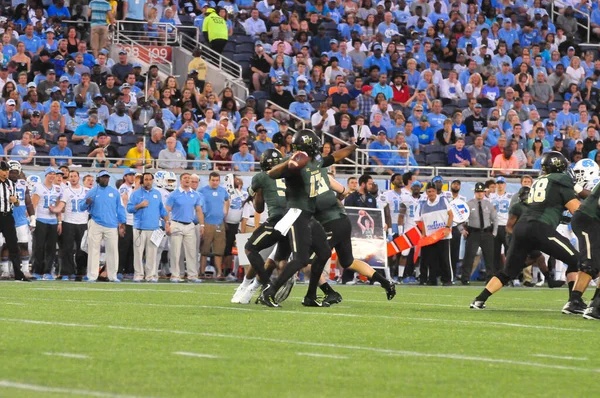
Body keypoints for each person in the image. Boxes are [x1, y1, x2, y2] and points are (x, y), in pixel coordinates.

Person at [471, 152, 580, 309]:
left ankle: (479, 300)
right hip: (539, 227)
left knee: (508, 271)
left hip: (522, 227)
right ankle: (574, 302)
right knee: (575, 260)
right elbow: (577, 210)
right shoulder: (561, 180)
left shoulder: (540, 181)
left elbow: (550, 207)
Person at [80, 170, 126, 282]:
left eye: (106, 177)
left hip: (111, 224)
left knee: (113, 251)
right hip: (96, 223)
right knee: (93, 250)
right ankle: (92, 276)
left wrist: (122, 223)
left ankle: (112, 276)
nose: (105, 179)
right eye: (102, 177)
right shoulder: (93, 191)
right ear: (98, 179)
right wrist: (87, 202)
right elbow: (81, 207)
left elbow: (120, 208)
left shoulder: (114, 192)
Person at [127, 173, 170, 282]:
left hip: (154, 228)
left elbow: (162, 210)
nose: (148, 181)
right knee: (138, 253)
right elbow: (129, 208)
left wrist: (167, 222)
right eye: (146, 179)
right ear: (142, 181)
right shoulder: (135, 194)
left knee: (152, 254)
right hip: (139, 228)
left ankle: (150, 275)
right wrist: (139, 205)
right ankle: (138, 274)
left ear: (153, 181)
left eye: (150, 179)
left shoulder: (157, 194)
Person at [166, 173, 205, 283]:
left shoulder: (195, 194)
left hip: (190, 224)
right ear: (181, 180)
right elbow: (167, 209)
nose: (187, 180)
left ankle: (192, 275)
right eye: (185, 178)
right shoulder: (174, 194)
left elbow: (198, 210)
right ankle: (175, 275)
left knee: (192, 251)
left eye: (189, 178)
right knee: (175, 252)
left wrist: (202, 225)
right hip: (176, 223)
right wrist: (166, 223)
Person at [416, 182, 454, 286]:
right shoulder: (423, 204)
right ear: (426, 192)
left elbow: (451, 215)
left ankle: (447, 279)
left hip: (443, 235)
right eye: (429, 191)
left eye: (433, 191)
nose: (431, 193)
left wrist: (447, 228)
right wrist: (423, 234)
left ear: (436, 191)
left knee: (444, 258)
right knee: (431, 259)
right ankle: (432, 280)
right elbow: (421, 221)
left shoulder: (443, 200)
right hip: (430, 237)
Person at [460, 182, 497, 285]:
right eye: (478, 192)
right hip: (473, 232)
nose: (480, 194)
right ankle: (465, 278)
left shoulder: (488, 204)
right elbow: (460, 218)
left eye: (481, 192)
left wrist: (494, 232)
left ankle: (490, 279)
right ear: (475, 192)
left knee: (489, 258)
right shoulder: (469, 204)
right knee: (469, 257)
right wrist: (462, 230)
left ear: (484, 192)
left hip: (486, 232)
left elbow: (495, 219)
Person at [2, 161, 33, 280]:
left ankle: (24, 270)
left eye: (16, 172)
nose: (13, 174)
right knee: (5, 246)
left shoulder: (22, 184)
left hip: (19, 220)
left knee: (22, 245)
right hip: (5, 218)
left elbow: (27, 202)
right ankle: (5, 270)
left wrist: (32, 217)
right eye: (11, 172)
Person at [31, 167, 62, 280]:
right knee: (39, 247)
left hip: (52, 221)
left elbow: (59, 206)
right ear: (46, 175)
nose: (52, 176)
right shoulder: (38, 187)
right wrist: (32, 220)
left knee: (51, 248)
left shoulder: (58, 189)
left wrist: (59, 221)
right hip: (41, 219)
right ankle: (37, 271)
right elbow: (33, 205)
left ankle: (48, 271)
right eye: (50, 174)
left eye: (54, 174)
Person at [199, 172, 230, 279]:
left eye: (217, 180)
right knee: (204, 250)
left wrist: (225, 212)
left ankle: (219, 273)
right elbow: (198, 208)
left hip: (219, 223)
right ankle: (202, 272)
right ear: (209, 180)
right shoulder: (202, 191)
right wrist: (201, 223)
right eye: (213, 180)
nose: (215, 182)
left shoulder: (222, 191)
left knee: (219, 250)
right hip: (207, 222)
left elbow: (227, 200)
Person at [490, 176, 513, 278]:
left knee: (509, 251)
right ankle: (496, 274)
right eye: (498, 183)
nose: (500, 185)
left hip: (506, 226)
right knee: (495, 252)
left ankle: (509, 274)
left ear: (505, 185)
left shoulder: (510, 196)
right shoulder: (491, 196)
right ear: (496, 185)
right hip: (494, 226)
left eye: (501, 183)